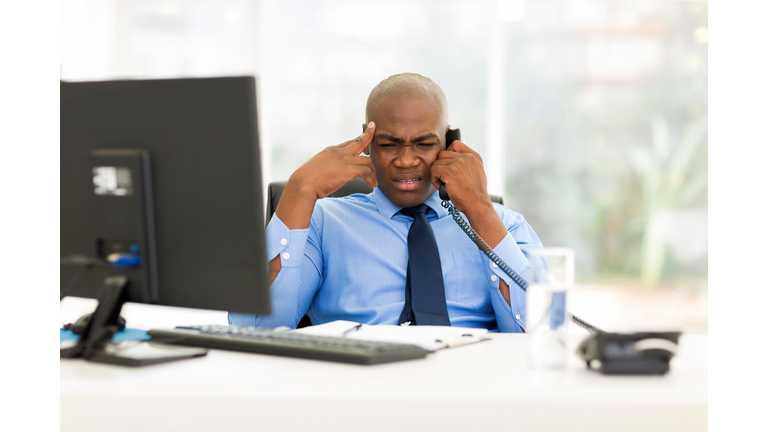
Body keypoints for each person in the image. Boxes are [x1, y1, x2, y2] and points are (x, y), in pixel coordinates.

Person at [230, 73, 542, 332]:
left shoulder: (505, 225)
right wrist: (299, 191)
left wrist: (480, 209)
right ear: (366, 143)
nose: (406, 161)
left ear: (448, 143)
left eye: (423, 143)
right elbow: (253, 330)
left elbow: (541, 334)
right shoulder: (323, 222)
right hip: (360, 386)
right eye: (390, 144)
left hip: (471, 389)